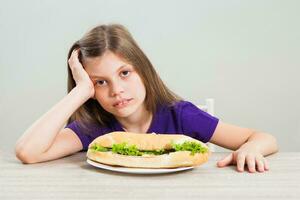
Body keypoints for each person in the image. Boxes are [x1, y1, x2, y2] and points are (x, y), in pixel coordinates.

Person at [15, 24, 278, 173]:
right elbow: (28, 152)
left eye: (125, 73)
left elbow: (264, 138)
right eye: (100, 82)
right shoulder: (94, 129)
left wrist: (251, 148)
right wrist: (80, 92)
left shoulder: (180, 115)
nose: (116, 90)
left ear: (143, 70)